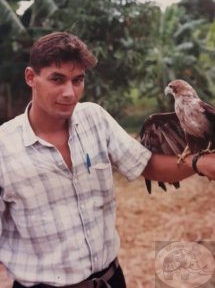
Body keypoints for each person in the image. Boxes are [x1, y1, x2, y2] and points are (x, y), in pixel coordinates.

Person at [0, 32, 214, 288]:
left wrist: (198, 163)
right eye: (57, 79)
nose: (69, 93)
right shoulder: (4, 147)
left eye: (77, 80)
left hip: (110, 280)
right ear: (30, 77)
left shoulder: (95, 118)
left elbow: (146, 164)